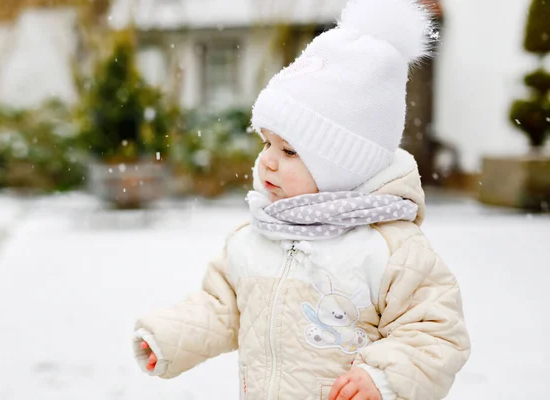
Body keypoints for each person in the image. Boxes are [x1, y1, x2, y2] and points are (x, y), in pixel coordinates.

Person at [132, 0, 471, 399]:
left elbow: (435, 331)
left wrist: (383, 378)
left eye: (289, 151)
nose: (268, 162)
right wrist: (170, 337)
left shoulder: (390, 248)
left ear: (345, 166)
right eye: (267, 143)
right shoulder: (253, 238)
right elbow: (221, 308)